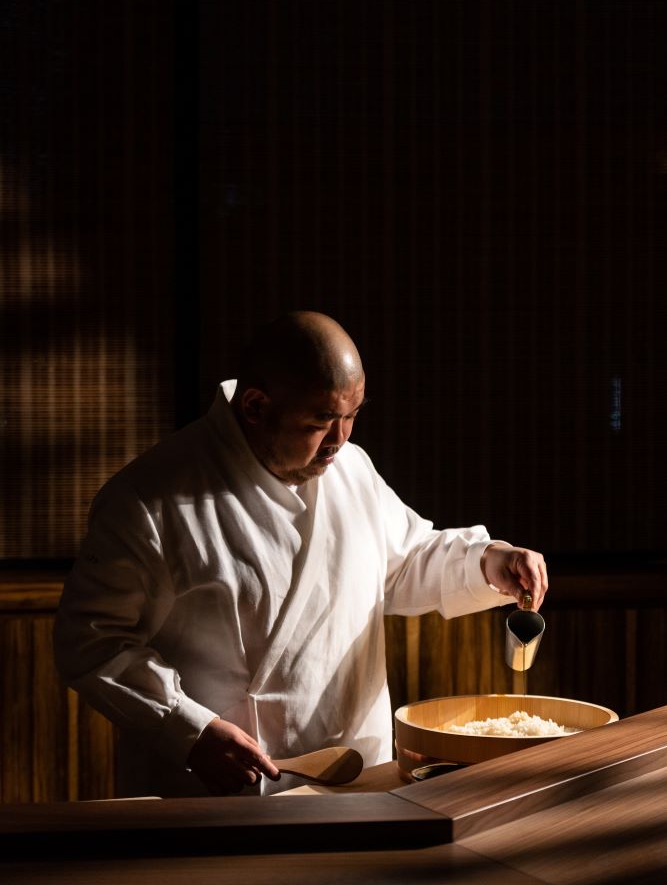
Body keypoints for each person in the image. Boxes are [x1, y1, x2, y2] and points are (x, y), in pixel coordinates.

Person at [53, 311, 548, 798]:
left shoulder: (351, 469)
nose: (340, 440)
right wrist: (189, 728)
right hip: (218, 789)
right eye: (322, 420)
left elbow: (402, 561)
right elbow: (92, 640)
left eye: (352, 416)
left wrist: (487, 562)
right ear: (254, 406)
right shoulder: (148, 498)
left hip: (357, 777)